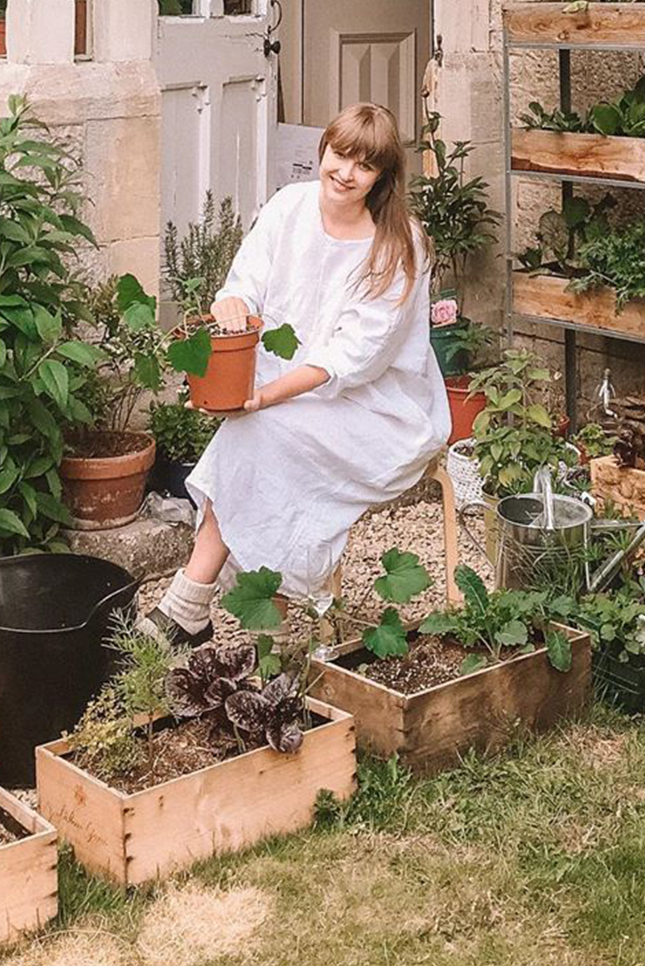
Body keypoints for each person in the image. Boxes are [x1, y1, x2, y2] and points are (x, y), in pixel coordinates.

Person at [140, 102, 450, 646]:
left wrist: (261, 399)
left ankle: (199, 607)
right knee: (262, 438)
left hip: (377, 409)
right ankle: (247, 624)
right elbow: (243, 282)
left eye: (364, 165)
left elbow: (351, 360)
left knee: (263, 436)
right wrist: (231, 304)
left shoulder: (399, 246)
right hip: (286, 396)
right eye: (340, 154)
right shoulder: (289, 206)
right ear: (323, 149)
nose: (345, 173)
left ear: (382, 177)